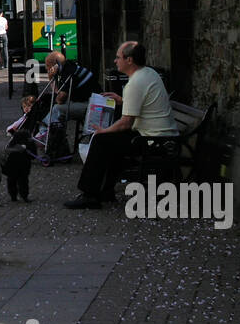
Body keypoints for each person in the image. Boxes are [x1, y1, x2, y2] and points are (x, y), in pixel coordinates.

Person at [65, 41, 179, 208]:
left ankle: (90, 194)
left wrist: (103, 131)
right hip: (158, 136)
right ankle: (105, 191)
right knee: (112, 141)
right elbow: (143, 104)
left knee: (101, 141)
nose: (115, 61)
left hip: (154, 141)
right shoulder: (148, 73)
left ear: (129, 60)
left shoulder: (135, 83)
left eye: (118, 57)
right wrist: (122, 100)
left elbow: (126, 123)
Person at [44, 51, 96, 126]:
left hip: (91, 106)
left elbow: (60, 100)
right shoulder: (69, 67)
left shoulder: (69, 74)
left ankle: (44, 130)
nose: (46, 68)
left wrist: (51, 78)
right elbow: (59, 94)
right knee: (52, 104)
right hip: (84, 100)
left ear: (56, 65)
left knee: (57, 108)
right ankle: (55, 129)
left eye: (48, 65)